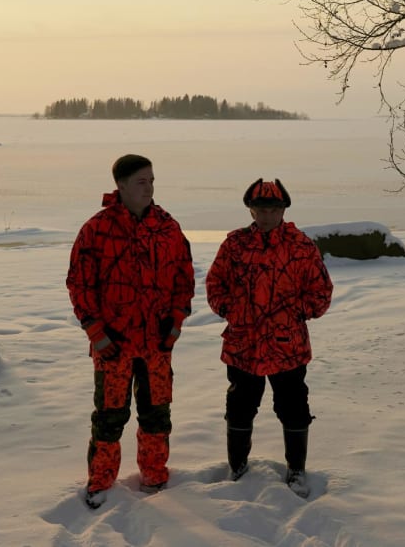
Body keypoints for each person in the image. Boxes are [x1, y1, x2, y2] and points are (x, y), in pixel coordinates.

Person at [66, 154, 195, 510]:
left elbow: (185, 278)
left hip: (157, 344)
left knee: (156, 415)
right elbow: (79, 284)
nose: (149, 187)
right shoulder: (97, 229)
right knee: (109, 417)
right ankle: (101, 481)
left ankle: (154, 476)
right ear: (120, 186)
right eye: (141, 181)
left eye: (152, 180)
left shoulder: (167, 227)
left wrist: (176, 321)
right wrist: (97, 333)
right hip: (113, 347)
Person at [205, 178, 333, 498]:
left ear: (283, 210)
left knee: (293, 407)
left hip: (287, 346)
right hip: (243, 344)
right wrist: (232, 311)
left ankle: (297, 470)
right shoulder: (234, 244)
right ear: (251, 210)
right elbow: (215, 284)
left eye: (272, 209)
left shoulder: (301, 246)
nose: (265, 216)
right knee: (239, 406)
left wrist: (294, 314)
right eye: (260, 209)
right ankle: (237, 466)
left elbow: (321, 292)